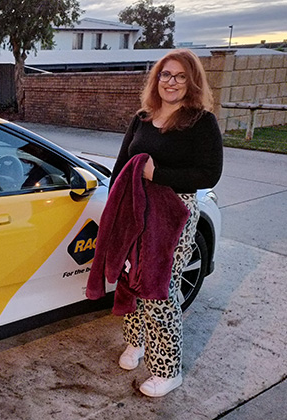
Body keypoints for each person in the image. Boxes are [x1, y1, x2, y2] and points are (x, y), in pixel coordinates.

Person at [92, 49, 223, 397]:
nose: (172, 82)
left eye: (181, 76)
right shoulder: (143, 117)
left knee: (159, 288)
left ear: (192, 81)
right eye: (166, 74)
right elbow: (122, 165)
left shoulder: (201, 122)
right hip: (136, 210)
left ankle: (168, 368)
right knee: (132, 279)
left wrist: (158, 174)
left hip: (174, 213)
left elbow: (210, 173)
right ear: (157, 78)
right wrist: (115, 208)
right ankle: (136, 342)